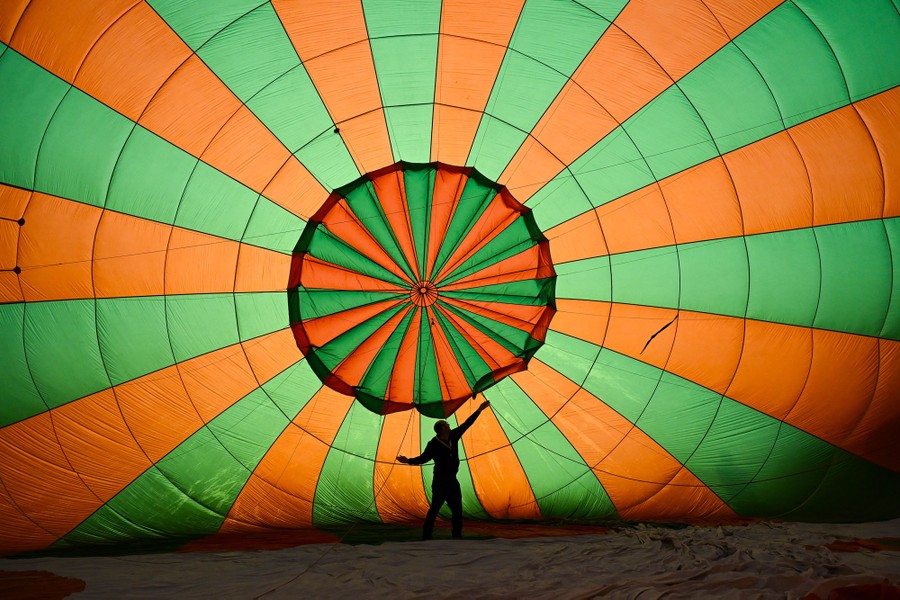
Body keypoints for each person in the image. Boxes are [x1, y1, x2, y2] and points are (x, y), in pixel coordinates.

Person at [397, 398, 491, 540]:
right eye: (446, 424)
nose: (448, 425)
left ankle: (457, 535)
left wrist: (479, 410)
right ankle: (426, 535)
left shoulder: (454, 435)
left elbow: (467, 424)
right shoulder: (433, 444)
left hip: (452, 481)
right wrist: (408, 461)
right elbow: (424, 458)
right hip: (440, 481)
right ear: (442, 429)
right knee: (435, 509)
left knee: (457, 510)